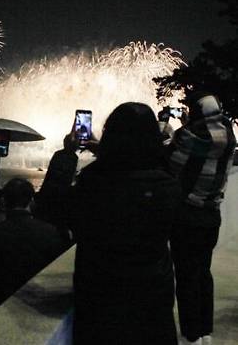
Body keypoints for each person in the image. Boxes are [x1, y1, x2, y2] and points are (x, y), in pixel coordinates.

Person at [46, 102, 180, 344]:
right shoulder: (168, 186)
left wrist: (68, 153)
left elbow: (51, 207)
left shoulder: (93, 184)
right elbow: (140, 168)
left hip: (101, 301)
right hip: (152, 302)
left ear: (109, 136)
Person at [165, 92, 236, 345]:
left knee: (185, 274)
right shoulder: (228, 138)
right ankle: (206, 331)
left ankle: (191, 334)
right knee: (203, 272)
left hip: (186, 217)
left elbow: (169, 164)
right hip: (211, 216)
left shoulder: (188, 137)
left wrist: (168, 128)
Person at [0, 177, 70, 313]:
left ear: (4, 202)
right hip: (39, 307)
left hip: (0, 308)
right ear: (31, 201)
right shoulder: (52, 233)